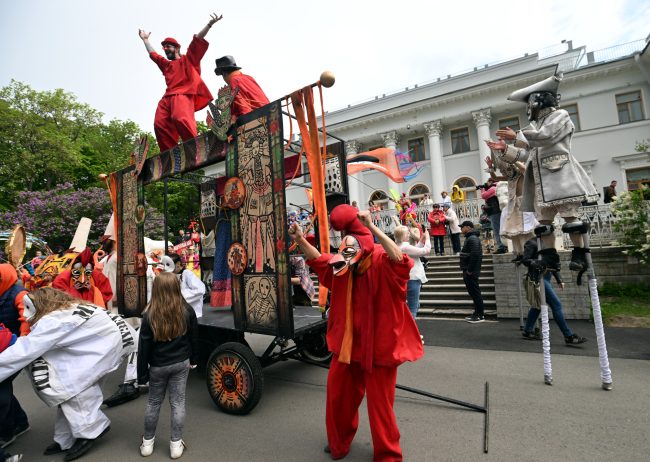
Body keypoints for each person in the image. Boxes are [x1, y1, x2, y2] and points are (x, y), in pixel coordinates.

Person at [288, 205, 423, 461]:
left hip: (379, 346)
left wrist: (372, 228)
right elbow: (322, 263)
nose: (345, 254)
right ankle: (339, 442)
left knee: (380, 406)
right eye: (344, 250)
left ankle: (388, 454)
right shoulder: (344, 265)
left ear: (362, 245)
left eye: (350, 249)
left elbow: (400, 259)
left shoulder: (382, 259)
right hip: (348, 346)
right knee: (338, 397)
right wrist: (300, 240)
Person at [0, 288, 136, 461]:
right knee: (71, 385)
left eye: (29, 308)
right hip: (108, 344)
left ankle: (91, 430)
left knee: (72, 386)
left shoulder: (54, 320)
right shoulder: (66, 309)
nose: (26, 316)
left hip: (105, 347)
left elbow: (27, 349)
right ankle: (66, 437)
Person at [493, 73, 598, 273]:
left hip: (560, 178)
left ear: (537, 101)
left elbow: (546, 137)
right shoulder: (536, 127)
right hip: (541, 184)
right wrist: (505, 149)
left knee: (571, 218)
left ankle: (580, 254)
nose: (528, 110)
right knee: (543, 225)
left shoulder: (560, 116)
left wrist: (517, 135)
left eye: (529, 104)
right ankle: (550, 258)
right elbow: (527, 155)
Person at [137, 272, 198, 459]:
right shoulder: (187, 310)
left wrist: (142, 376)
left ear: (156, 289)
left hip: (157, 365)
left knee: (154, 403)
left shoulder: (149, 315)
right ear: (176, 287)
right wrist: (194, 359)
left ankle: (147, 444)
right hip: (181, 363)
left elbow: (143, 347)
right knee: (178, 403)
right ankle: (175, 445)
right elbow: (194, 338)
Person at [139, 13, 221, 152]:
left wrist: (209, 24)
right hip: (168, 97)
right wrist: (145, 40)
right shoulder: (166, 65)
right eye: (164, 48)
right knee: (159, 124)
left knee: (180, 118)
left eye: (168, 47)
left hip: (183, 95)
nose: (165, 50)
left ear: (177, 48)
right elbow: (154, 55)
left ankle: (195, 148)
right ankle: (170, 153)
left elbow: (197, 39)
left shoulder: (189, 59)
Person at [520, 239, 587, 344]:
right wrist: (536, 262)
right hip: (538, 278)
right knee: (556, 305)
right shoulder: (532, 242)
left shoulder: (548, 243)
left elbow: (553, 263)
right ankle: (568, 336)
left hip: (545, 278)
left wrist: (559, 279)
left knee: (537, 307)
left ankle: (528, 331)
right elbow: (525, 260)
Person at [483, 143, 537, 261]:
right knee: (514, 231)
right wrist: (491, 167)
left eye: (507, 168)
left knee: (525, 230)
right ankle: (519, 253)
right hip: (513, 203)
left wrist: (512, 158)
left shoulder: (522, 172)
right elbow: (495, 178)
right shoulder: (510, 177)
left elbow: (524, 169)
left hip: (524, 201)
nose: (505, 172)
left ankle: (528, 253)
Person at [0, 265, 30, 451]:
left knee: (1, 388)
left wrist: (23, 343)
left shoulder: (19, 293)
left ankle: (7, 431)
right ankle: (20, 421)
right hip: (3, 346)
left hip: (15, 348)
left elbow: (26, 318)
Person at [214, 55, 269, 120]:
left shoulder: (234, 81)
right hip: (268, 112)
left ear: (224, 74)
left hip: (256, 119)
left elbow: (242, 106)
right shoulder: (248, 77)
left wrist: (243, 120)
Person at [393, 226, 431, 318]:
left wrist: (422, 239)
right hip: (413, 278)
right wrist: (428, 238)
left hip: (407, 278)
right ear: (403, 236)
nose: (409, 234)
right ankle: (411, 332)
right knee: (413, 308)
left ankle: (409, 331)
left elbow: (415, 250)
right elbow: (426, 251)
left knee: (414, 306)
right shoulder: (405, 246)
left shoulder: (398, 245)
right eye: (407, 233)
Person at [164, 253, 206, 318]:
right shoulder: (170, 276)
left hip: (190, 314)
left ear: (178, 263)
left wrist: (180, 296)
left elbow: (201, 290)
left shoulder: (186, 273)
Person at [459, 221, 485, 323]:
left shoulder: (472, 238)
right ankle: (476, 313)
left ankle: (480, 314)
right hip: (469, 270)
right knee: (473, 293)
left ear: (468, 227)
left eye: (462, 227)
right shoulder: (470, 238)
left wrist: (469, 270)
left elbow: (475, 254)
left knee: (475, 293)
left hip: (471, 271)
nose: (461, 229)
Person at [479, 179, 507, 254]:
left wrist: (482, 189)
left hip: (495, 212)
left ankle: (501, 247)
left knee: (497, 230)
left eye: (488, 182)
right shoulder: (496, 187)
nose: (486, 183)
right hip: (496, 211)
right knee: (498, 229)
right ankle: (503, 246)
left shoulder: (493, 188)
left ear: (491, 182)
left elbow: (483, 196)